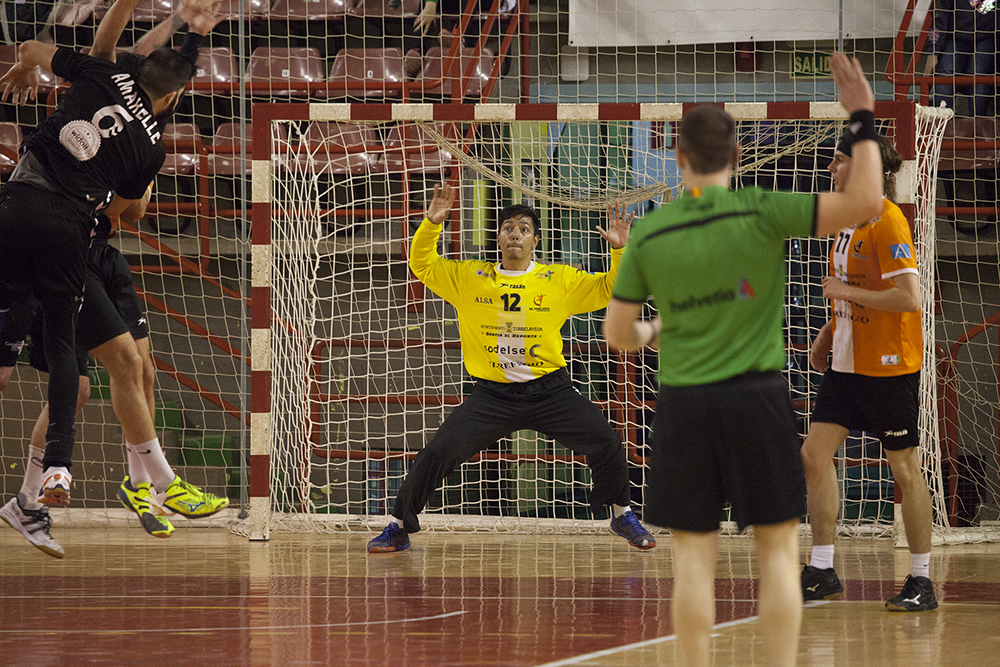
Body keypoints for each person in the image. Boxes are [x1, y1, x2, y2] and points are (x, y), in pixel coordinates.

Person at [602, 53, 884, 667]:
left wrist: (656, 330)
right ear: (737, 157)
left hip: (683, 405)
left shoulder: (651, 232)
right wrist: (861, 112)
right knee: (780, 553)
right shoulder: (764, 209)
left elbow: (617, 335)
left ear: (678, 161)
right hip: (757, 398)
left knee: (693, 563)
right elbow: (867, 201)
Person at [0, 0, 228, 558]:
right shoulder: (146, 140)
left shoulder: (107, 74)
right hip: (71, 236)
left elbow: (79, 50)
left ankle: (48, 497)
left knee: (118, 372)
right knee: (88, 370)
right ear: (171, 97)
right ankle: (147, 482)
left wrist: (185, 29)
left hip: (72, 238)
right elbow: (128, 213)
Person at [366, 185, 656, 553]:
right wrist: (431, 225)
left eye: (523, 228)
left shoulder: (559, 281)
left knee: (607, 441)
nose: (515, 233)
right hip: (493, 395)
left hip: (549, 391)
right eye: (508, 227)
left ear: (535, 239)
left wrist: (619, 249)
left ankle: (620, 513)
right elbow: (422, 265)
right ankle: (398, 526)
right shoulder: (470, 277)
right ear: (499, 237)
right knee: (437, 452)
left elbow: (613, 287)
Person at [799, 132, 936, 612]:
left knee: (904, 469)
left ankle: (921, 580)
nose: (831, 170)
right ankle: (821, 569)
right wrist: (824, 336)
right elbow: (847, 288)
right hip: (845, 362)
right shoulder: (846, 220)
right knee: (814, 455)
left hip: (888, 368)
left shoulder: (889, 223)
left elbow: (909, 298)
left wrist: (846, 294)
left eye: (839, 163)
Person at [923, 0, 998, 116]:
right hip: (956, 37)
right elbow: (940, 18)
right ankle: (941, 124)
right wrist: (933, 52)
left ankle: (979, 124)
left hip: (987, 38)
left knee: (979, 75)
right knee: (945, 73)